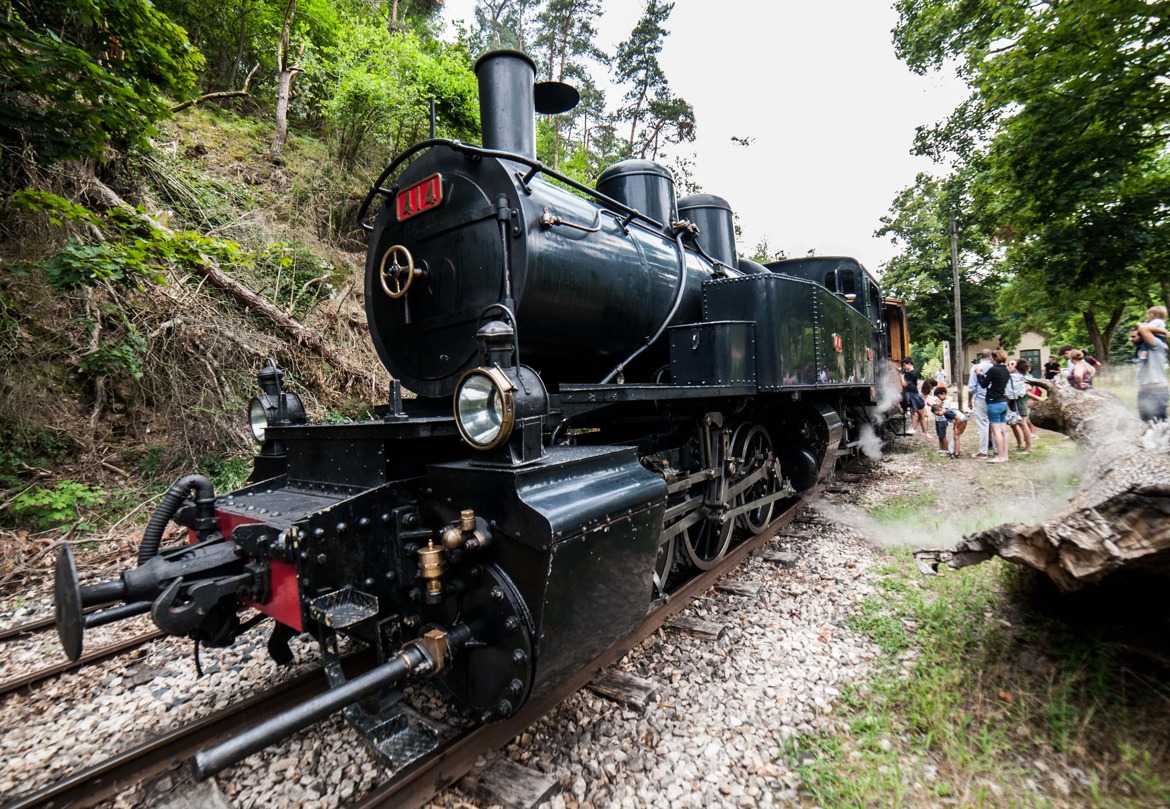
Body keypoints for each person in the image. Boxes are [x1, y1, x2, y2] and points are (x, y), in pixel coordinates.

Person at [976, 350, 1012, 463]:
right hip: (1003, 402)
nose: (990, 359)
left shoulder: (993, 370)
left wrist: (978, 374)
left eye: (992, 358)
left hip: (993, 402)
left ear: (995, 358)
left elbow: (983, 384)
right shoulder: (1006, 371)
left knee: (996, 431)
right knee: (1004, 430)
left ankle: (1000, 456)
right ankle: (1005, 455)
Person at [1132, 323, 1169, 422]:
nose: (1131, 339)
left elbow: (1144, 329)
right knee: (1147, 421)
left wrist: (1164, 332)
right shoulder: (1141, 349)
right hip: (1145, 390)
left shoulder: (1156, 345)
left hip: (1157, 390)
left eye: (1133, 336)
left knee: (1160, 423)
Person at [967, 349, 995, 458]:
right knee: (995, 424)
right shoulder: (995, 368)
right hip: (994, 399)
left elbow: (971, 387)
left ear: (981, 357)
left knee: (983, 426)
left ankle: (983, 451)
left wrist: (969, 400)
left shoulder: (975, 368)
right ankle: (997, 449)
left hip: (981, 399)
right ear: (991, 356)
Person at [929, 385, 967, 457]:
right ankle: (955, 451)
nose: (939, 415)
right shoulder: (944, 411)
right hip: (959, 421)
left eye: (938, 413)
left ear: (940, 409)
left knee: (956, 436)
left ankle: (956, 453)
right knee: (955, 436)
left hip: (962, 420)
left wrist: (955, 428)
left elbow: (958, 419)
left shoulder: (947, 412)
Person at [1007, 358, 1033, 453]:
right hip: (1014, 401)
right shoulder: (1018, 377)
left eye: (1012, 364)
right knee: (1013, 424)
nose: (1010, 365)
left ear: (1017, 367)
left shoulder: (1017, 377)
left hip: (1018, 401)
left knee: (1022, 424)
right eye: (1009, 364)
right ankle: (1019, 445)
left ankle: (1029, 447)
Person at [901, 358, 928, 435]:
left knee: (918, 414)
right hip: (912, 394)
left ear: (909, 364)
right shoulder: (910, 373)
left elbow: (904, 384)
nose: (903, 367)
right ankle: (919, 430)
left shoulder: (911, 374)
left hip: (912, 394)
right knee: (914, 412)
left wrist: (901, 377)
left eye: (904, 365)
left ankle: (917, 429)